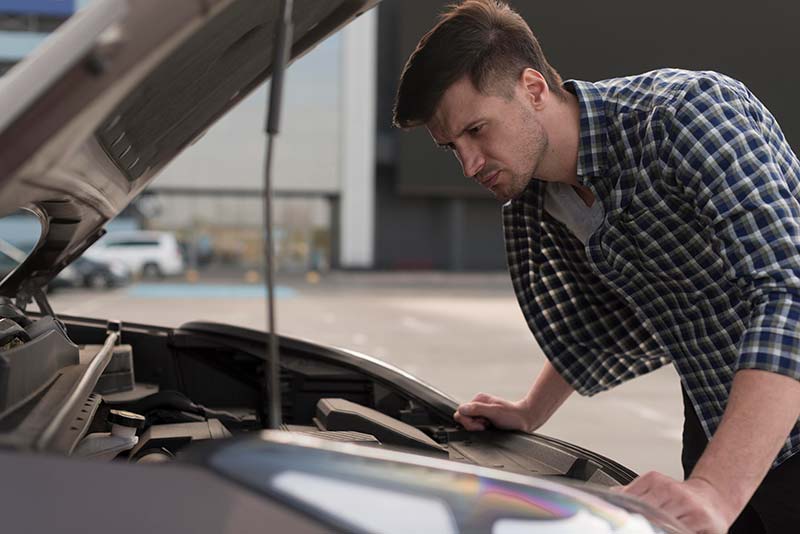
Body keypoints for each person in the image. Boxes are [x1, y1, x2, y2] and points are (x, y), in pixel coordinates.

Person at [392, 1, 800, 532]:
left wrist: (715, 489)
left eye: (476, 130)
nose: (469, 164)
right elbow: (602, 317)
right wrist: (530, 410)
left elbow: (789, 293)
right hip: (719, 425)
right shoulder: (535, 198)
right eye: (451, 147)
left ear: (534, 89)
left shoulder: (687, 114)